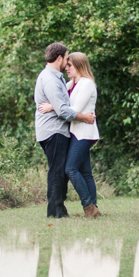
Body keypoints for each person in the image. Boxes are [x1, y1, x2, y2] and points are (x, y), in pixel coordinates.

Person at [34, 43, 94, 218]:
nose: (68, 61)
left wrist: (54, 105)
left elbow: (62, 101)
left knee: (59, 170)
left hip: (56, 130)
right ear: (59, 58)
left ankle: (58, 209)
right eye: (66, 57)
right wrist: (84, 117)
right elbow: (63, 110)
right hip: (54, 131)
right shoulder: (51, 79)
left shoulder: (55, 76)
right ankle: (56, 211)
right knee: (57, 171)